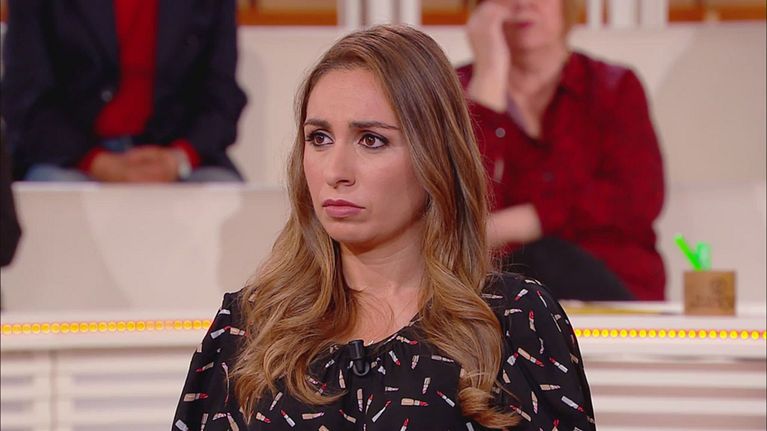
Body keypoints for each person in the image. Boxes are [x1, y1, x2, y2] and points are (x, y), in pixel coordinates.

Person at [173, 25, 594, 430]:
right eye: (319, 138)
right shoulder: (246, 326)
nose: (336, 171)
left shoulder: (515, 321)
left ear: (435, 156)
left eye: (371, 140)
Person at [458, 0, 666, 301]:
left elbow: (638, 199)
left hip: (614, 291)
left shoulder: (614, 88)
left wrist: (524, 221)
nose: (522, 4)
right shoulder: (454, 93)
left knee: (547, 257)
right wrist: (488, 78)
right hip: (500, 296)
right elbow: (461, 208)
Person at [1, 0, 247, 183]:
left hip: (176, 155)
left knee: (228, 199)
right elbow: (25, 97)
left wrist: (178, 158)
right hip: (69, 157)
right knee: (58, 196)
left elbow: (222, 95)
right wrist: (98, 163)